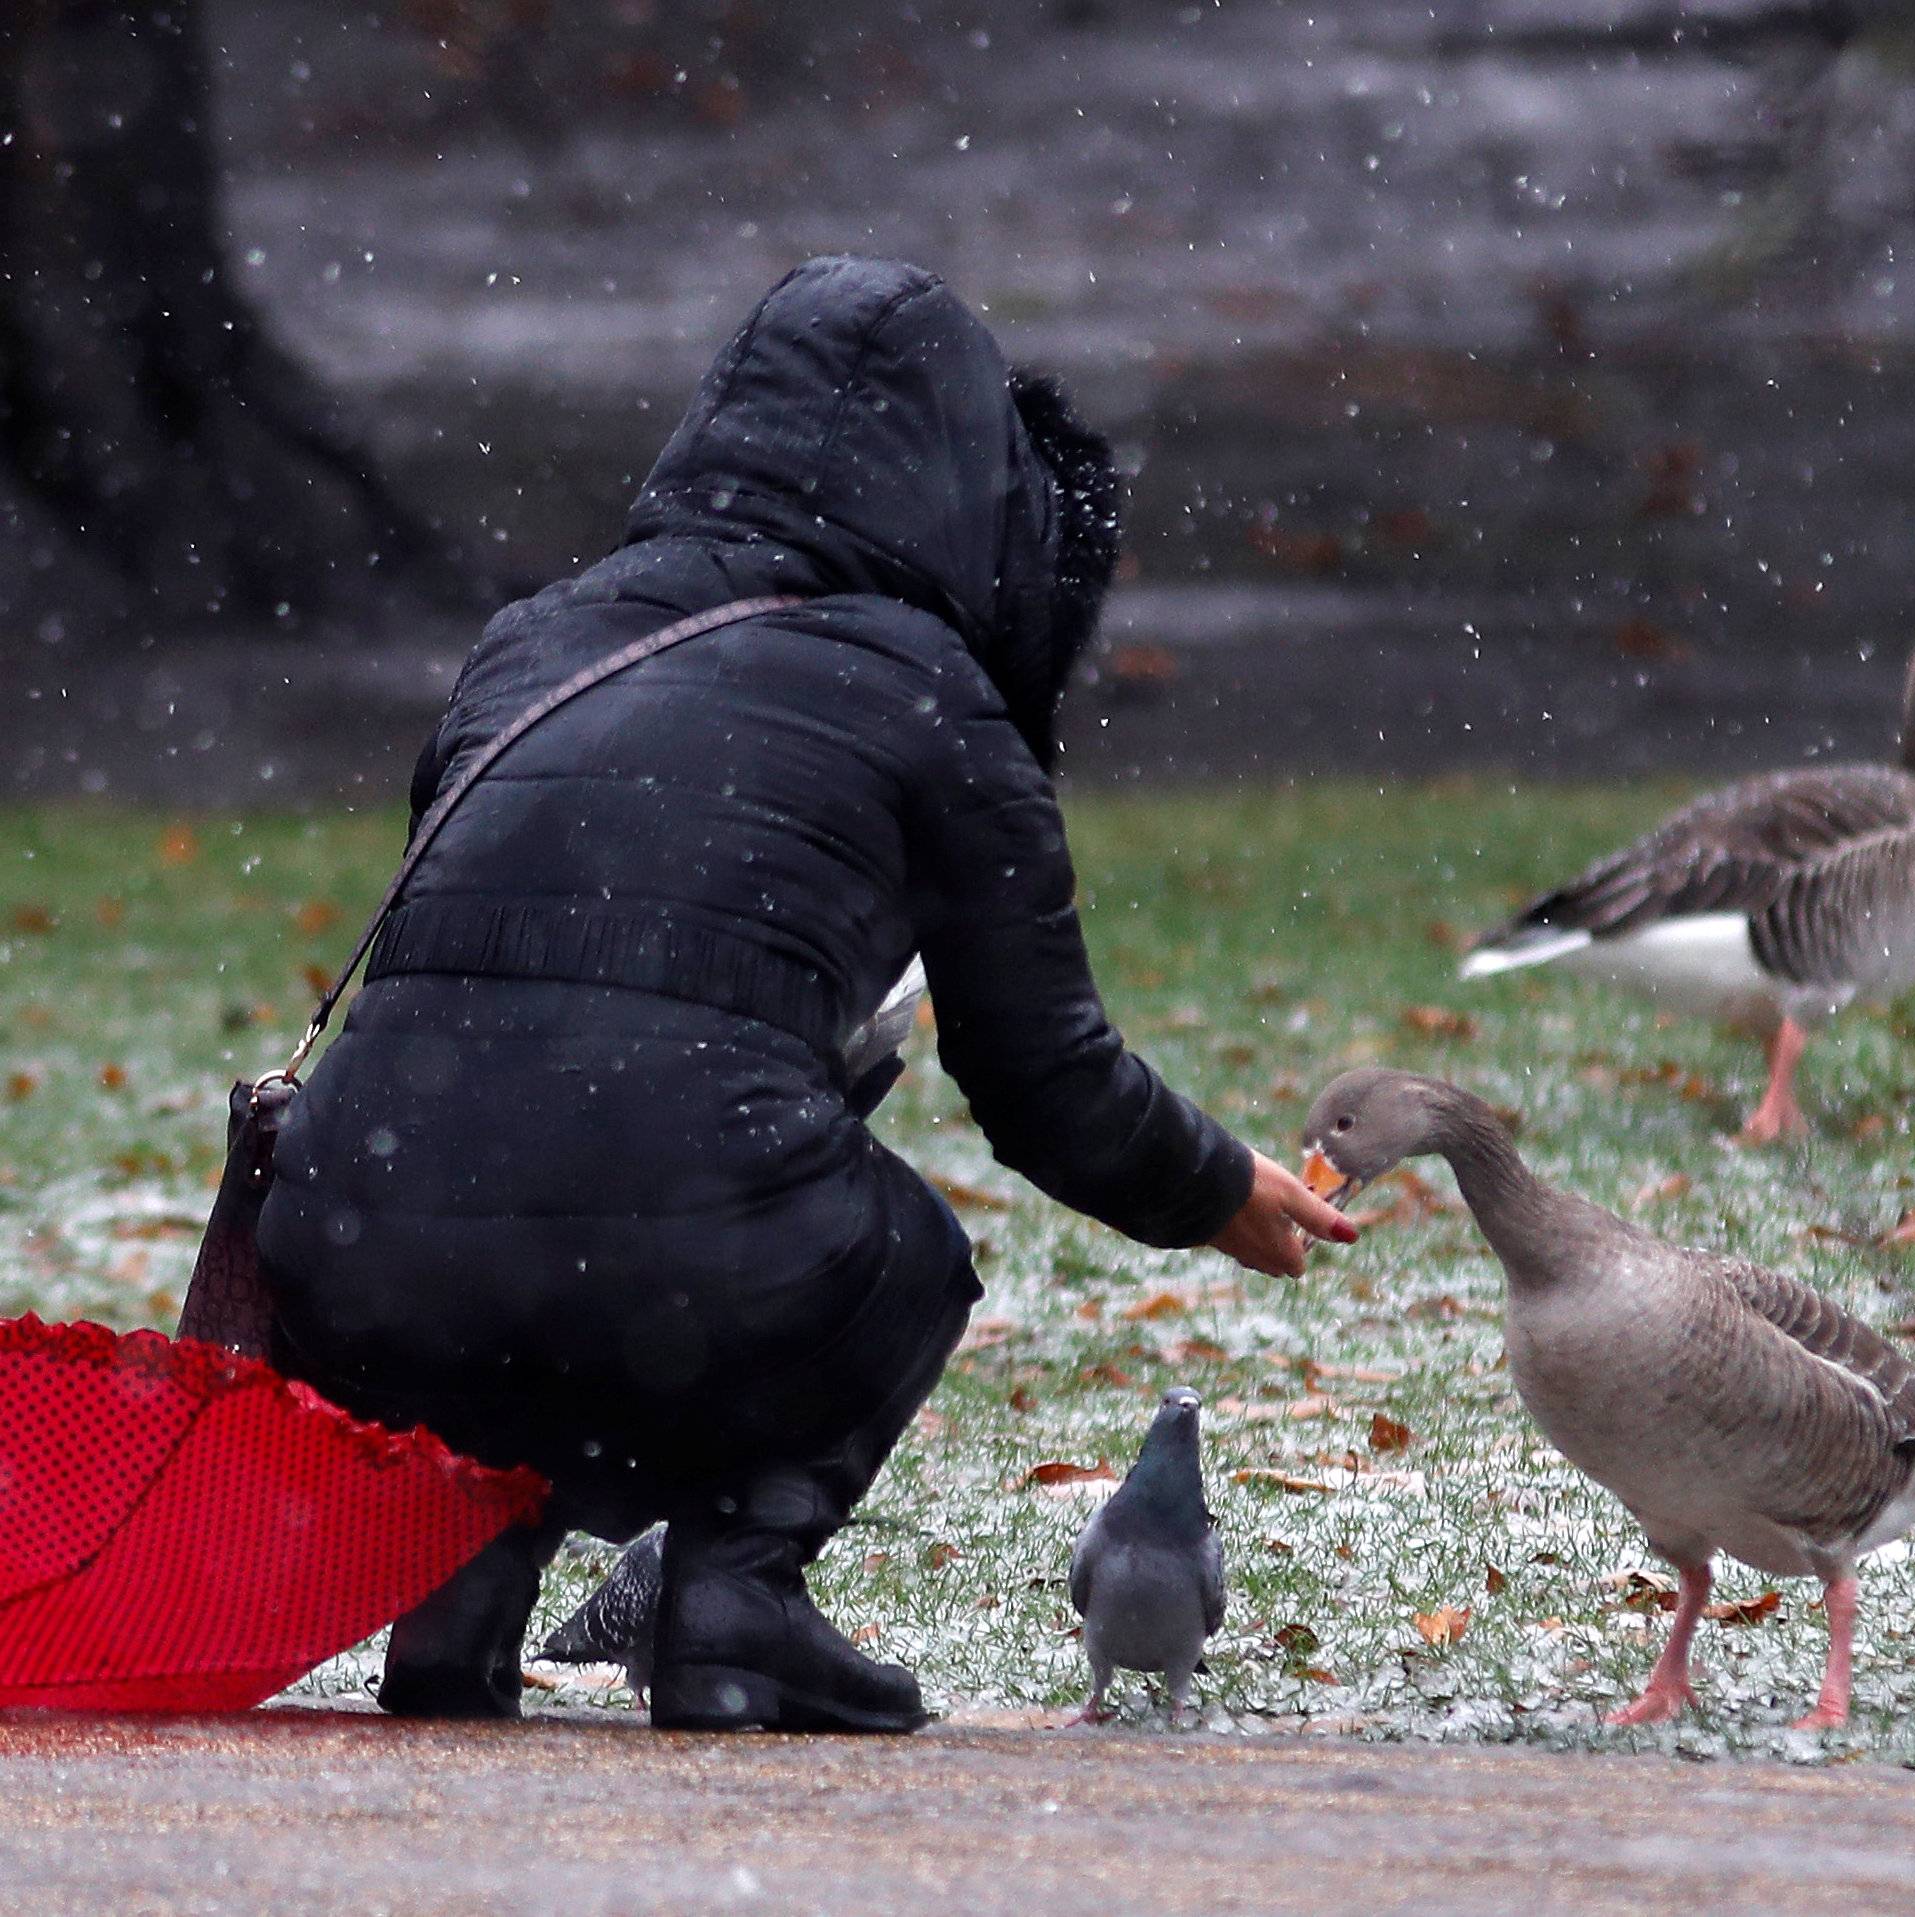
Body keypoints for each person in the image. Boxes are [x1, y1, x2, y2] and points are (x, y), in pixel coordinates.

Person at [256, 256, 1353, 1732]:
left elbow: (475, 999)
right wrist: (1213, 1181)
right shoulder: (928, 689)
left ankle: (459, 1592)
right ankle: (737, 1598)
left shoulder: (530, 642)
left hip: (347, 1241)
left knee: (524, 1179)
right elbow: (1041, 1081)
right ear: (971, 489)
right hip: (672, 1247)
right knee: (889, 1245)